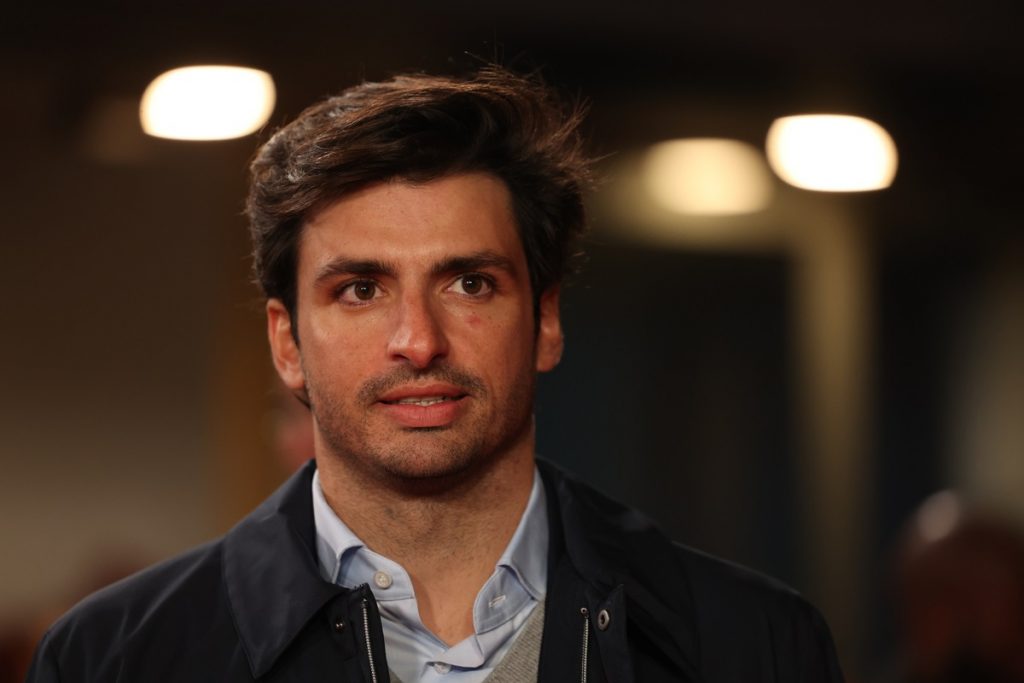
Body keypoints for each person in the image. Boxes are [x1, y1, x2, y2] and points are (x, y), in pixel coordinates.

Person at [27, 67, 843, 682]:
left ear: (547, 321)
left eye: (469, 283)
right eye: (360, 289)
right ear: (287, 344)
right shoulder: (115, 660)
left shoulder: (756, 647)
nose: (417, 340)